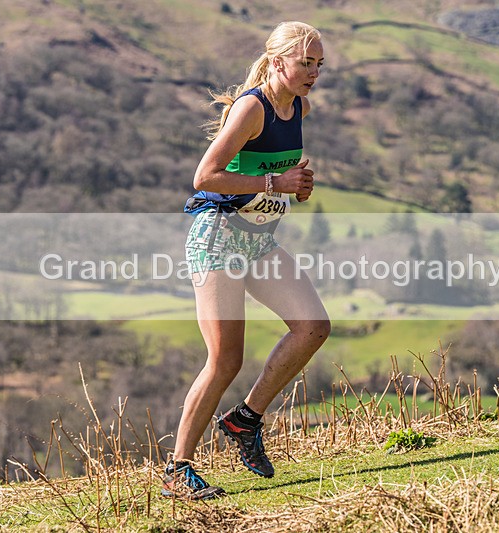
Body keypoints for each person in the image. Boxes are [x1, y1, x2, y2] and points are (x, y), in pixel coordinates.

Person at [161, 21, 331, 500]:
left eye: (318, 64)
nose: (314, 72)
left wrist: (296, 183)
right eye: (306, 62)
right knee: (224, 360)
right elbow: (206, 176)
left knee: (314, 326)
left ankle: (245, 420)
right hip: (217, 239)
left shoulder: (300, 106)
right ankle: (178, 469)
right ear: (277, 62)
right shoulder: (251, 108)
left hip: (258, 241)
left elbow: (272, 172)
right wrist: (276, 185)